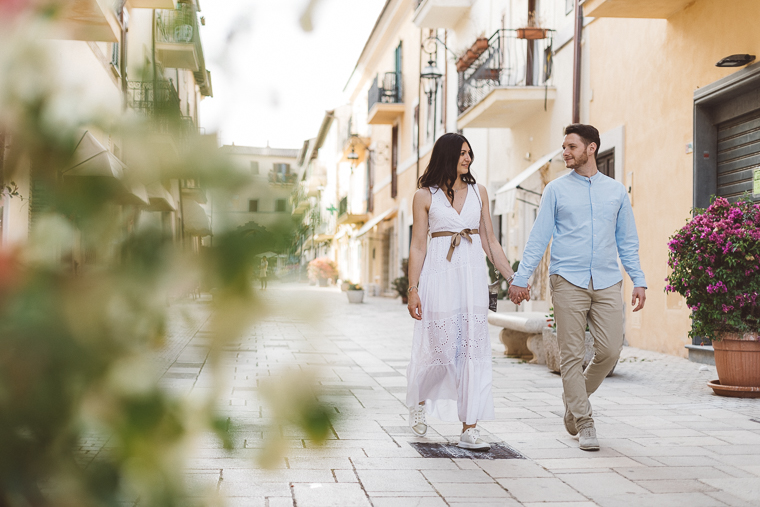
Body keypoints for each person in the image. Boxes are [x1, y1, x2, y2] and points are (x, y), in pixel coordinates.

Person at [508, 124, 647, 451]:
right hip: (567, 279)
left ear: (591, 148)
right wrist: (520, 276)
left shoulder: (615, 192)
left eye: (571, 146)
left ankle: (574, 400)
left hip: (607, 280)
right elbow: (539, 237)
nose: (565, 152)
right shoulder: (555, 190)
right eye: (564, 146)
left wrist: (638, 279)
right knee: (570, 355)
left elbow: (627, 241)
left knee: (610, 350)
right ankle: (584, 421)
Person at [406, 133, 516, 451]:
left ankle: (470, 427)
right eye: (461, 153)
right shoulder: (424, 195)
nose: (467, 158)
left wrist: (512, 277)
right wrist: (413, 290)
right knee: (439, 349)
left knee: (472, 350)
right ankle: (418, 400)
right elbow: (417, 246)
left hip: (472, 279)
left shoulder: (479, 193)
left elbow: (490, 242)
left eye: (469, 153)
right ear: (447, 155)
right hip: (438, 278)